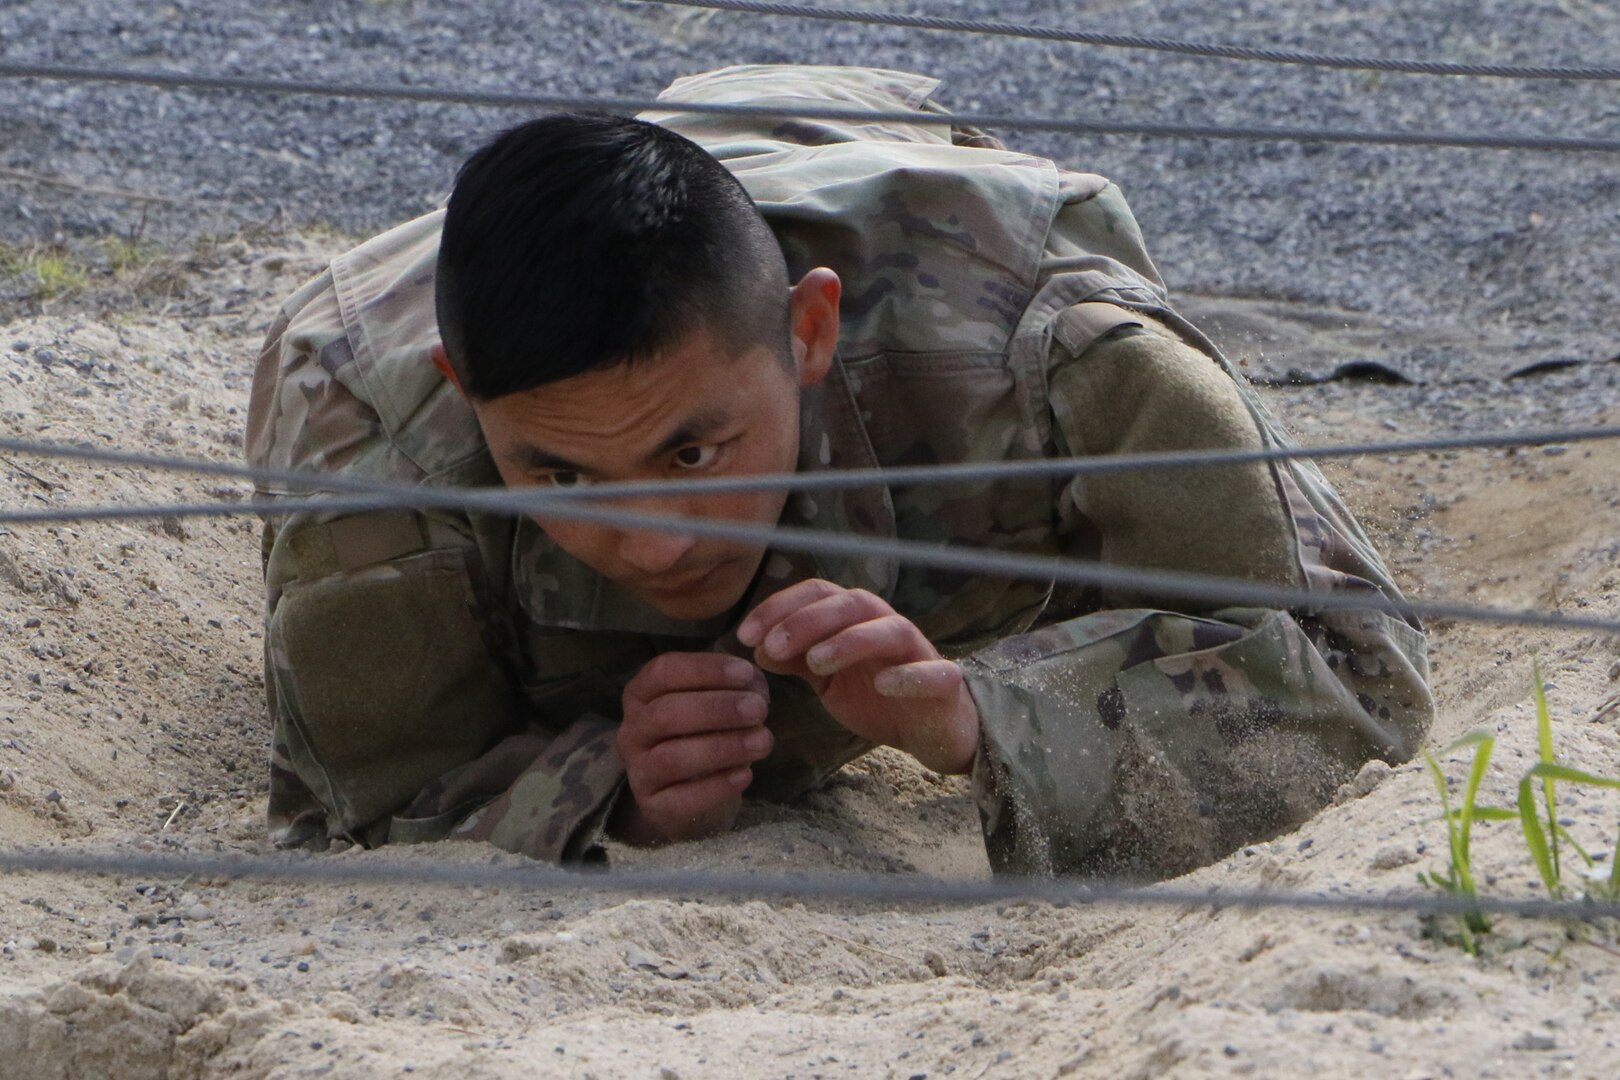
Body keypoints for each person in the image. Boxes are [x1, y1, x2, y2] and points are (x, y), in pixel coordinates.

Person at [245, 65, 1432, 877]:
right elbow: (371, 805)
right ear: (468, 400)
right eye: (560, 479)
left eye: (692, 451)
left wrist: (988, 718)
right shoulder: (362, 430)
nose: (655, 542)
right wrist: (618, 795)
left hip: (856, 142)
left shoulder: (1042, 336)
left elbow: (1358, 677)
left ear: (809, 335)